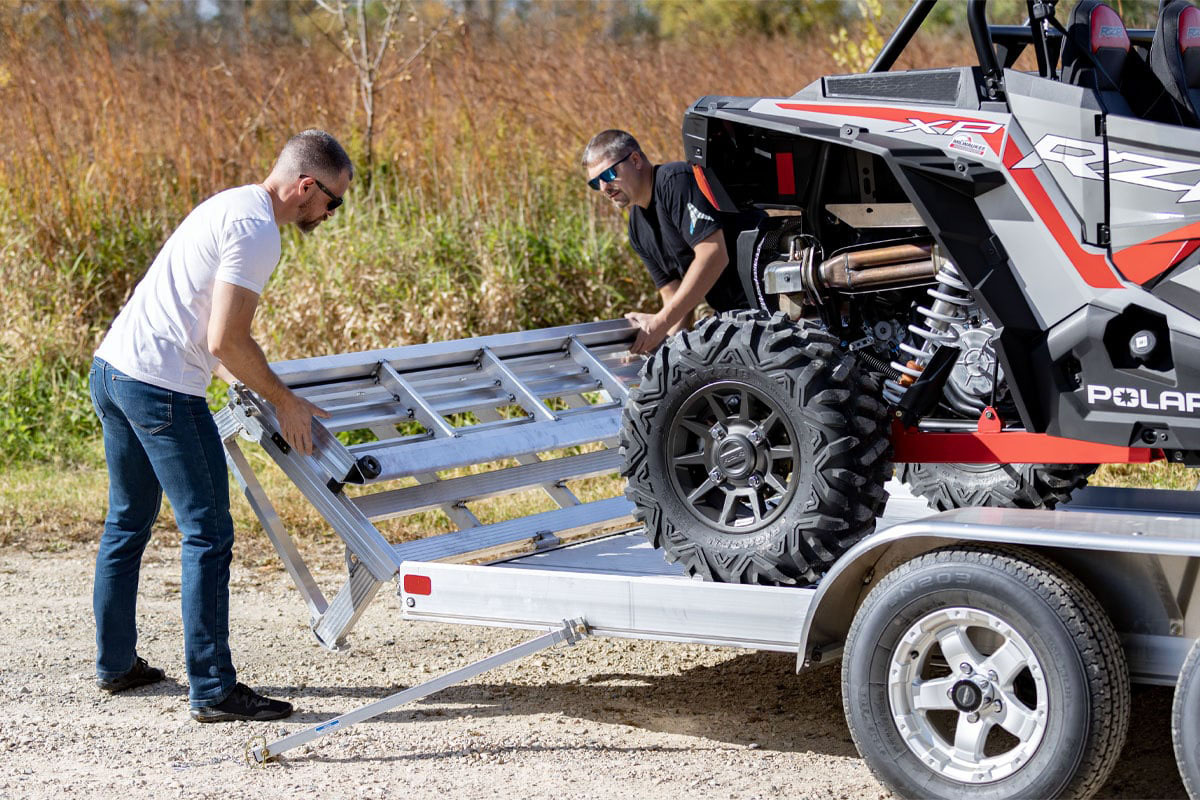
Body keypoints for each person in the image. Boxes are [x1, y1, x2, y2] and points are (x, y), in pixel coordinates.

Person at [89, 129, 352, 722]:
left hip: (112, 368)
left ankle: (116, 663)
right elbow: (226, 340)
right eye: (332, 201)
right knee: (208, 531)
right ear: (306, 186)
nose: (331, 214)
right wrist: (285, 400)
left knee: (128, 520)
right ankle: (211, 688)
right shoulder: (259, 231)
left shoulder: (229, 202)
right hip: (161, 388)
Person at [582, 129, 757, 354]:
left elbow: (713, 254)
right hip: (735, 318)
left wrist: (660, 322)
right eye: (595, 183)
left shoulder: (675, 181)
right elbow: (675, 303)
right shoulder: (637, 229)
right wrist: (655, 346)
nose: (604, 188)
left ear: (635, 160)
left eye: (607, 175)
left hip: (766, 298)